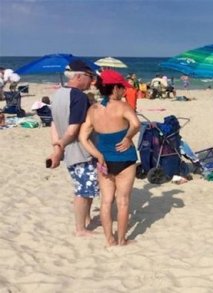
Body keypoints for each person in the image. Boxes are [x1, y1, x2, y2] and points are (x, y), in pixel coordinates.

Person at [79, 69, 140, 247]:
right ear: (115, 88)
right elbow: (136, 124)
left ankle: (109, 240)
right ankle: (122, 240)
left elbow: (83, 137)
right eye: (122, 88)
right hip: (125, 158)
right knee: (123, 202)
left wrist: (97, 154)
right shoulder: (122, 106)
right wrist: (128, 137)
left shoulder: (93, 109)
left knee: (106, 202)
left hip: (104, 160)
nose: (124, 91)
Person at [46, 60, 99, 237]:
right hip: (80, 151)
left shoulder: (58, 93)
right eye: (89, 77)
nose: (91, 81)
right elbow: (73, 129)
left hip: (69, 151)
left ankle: (88, 219)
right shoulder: (78, 97)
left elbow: (53, 124)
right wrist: (60, 146)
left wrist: (57, 146)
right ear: (78, 76)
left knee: (87, 188)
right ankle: (80, 228)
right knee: (83, 191)